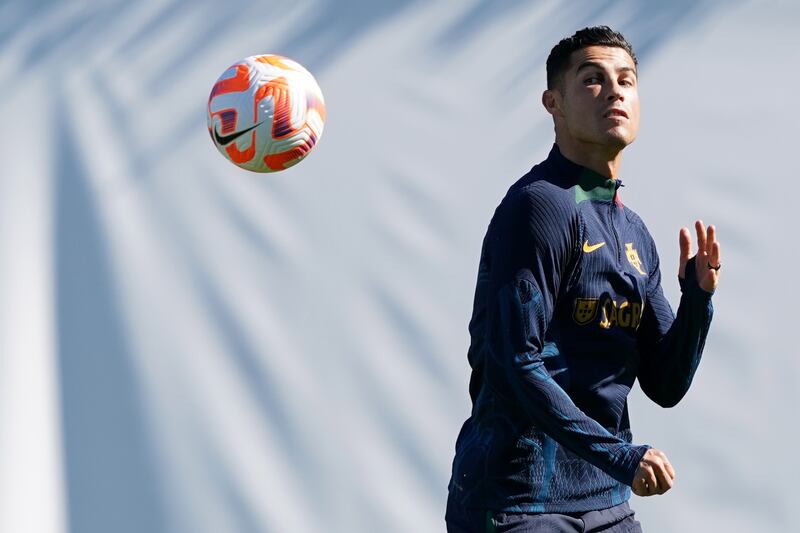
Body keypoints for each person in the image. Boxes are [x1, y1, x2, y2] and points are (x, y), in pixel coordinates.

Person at [445, 26, 721, 532]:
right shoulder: (539, 206)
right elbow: (515, 365)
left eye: (626, 80)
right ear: (554, 102)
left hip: (608, 505)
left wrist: (697, 301)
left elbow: (665, 384)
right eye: (592, 79)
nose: (615, 90)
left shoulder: (632, 230)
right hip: (520, 504)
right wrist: (620, 456)